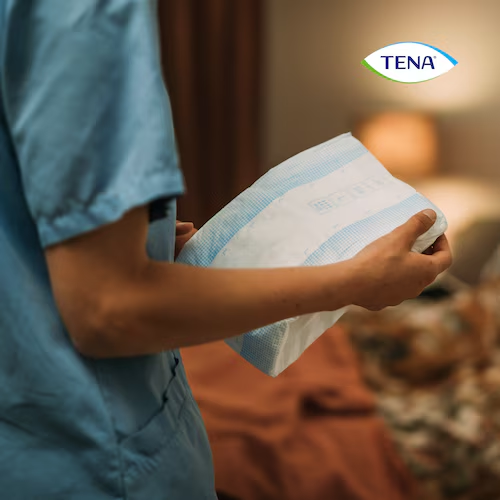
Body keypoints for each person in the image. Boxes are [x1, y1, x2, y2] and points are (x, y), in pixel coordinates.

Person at [0, 1, 452, 499]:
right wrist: (354, 281)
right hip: (94, 460)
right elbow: (110, 310)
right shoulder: (83, 15)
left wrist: (133, 244)